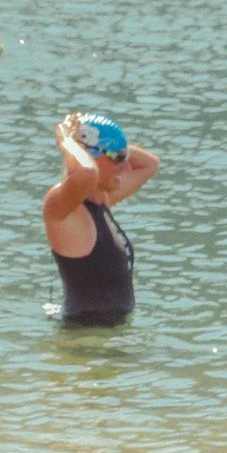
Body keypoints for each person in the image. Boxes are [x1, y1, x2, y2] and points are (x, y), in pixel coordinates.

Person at [42, 111, 157, 326]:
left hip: (108, 338)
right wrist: (66, 140)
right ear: (90, 156)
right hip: (83, 339)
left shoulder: (101, 198)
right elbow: (86, 173)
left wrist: (114, 146)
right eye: (118, 158)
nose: (127, 166)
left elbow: (150, 164)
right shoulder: (63, 209)